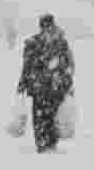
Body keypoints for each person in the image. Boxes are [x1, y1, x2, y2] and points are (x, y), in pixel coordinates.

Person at [17, 13, 75, 153]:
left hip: (40, 86)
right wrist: (67, 81)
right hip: (55, 86)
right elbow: (69, 64)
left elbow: (27, 65)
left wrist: (23, 82)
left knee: (40, 116)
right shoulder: (60, 42)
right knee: (51, 115)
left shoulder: (33, 42)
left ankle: (43, 143)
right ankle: (50, 142)